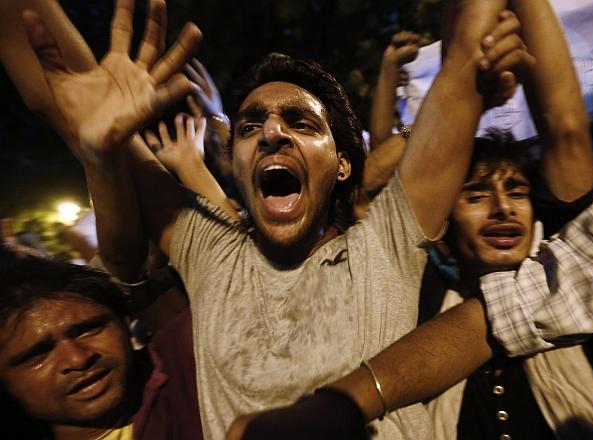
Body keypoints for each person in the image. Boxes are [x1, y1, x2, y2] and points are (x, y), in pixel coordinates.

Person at [18, 0, 532, 437]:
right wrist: (97, 138)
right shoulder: (210, 252)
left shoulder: (385, 244)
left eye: (301, 122)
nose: (271, 133)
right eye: (249, 126)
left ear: (342, 162)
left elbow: (465, 54)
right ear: (236, 165)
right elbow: (63, 97)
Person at [0, 247, 202, 440]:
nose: (78, 359)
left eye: (87, 330)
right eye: (38, 354)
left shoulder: (193, 358)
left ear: (124, 322)